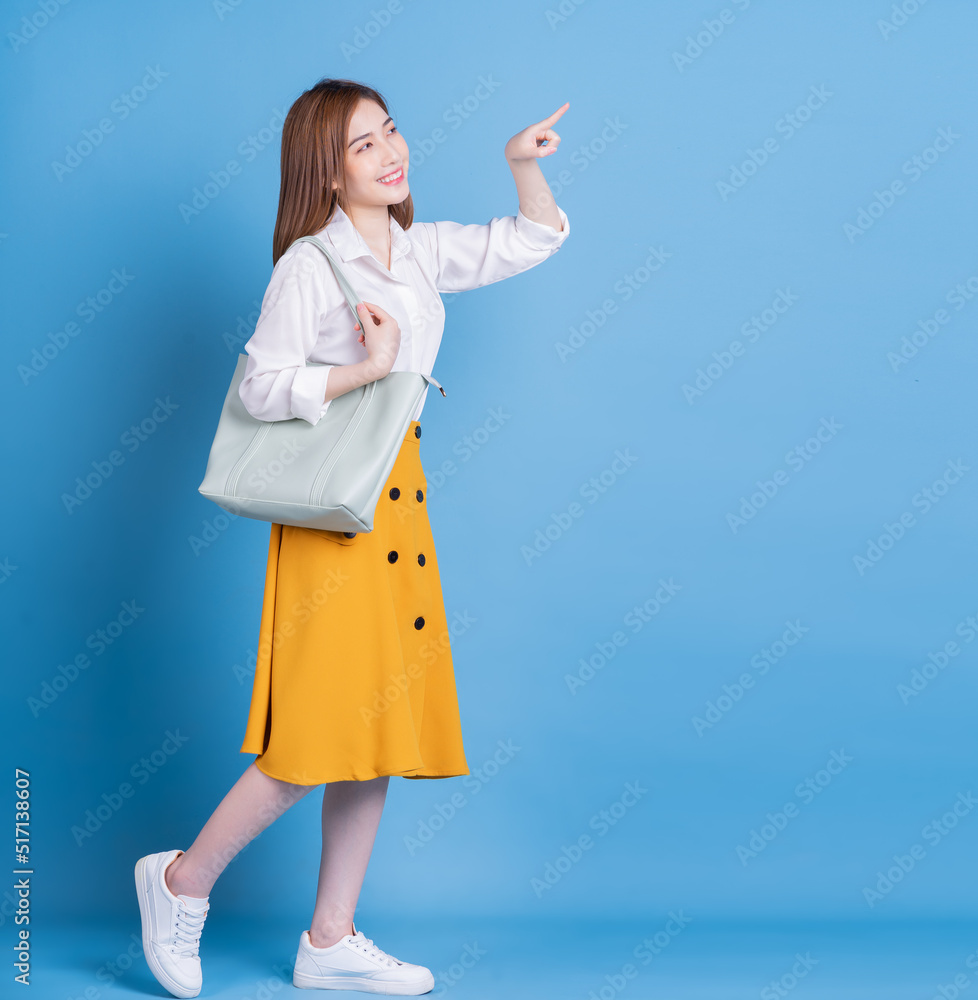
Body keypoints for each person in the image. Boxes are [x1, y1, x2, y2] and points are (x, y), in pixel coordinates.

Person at [134, 76, 570, 998]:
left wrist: (521, 169)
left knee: (377, 734)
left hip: (399, 505)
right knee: (314, 739)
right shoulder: (308, 265)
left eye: (391, 130)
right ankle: (181, 881)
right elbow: (259, 388)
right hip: (335, 516)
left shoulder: (414, 251)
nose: (389, 151)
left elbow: (526, 240)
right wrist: (366, 369)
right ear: (328, 175)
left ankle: (330, 937)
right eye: (363, 144)